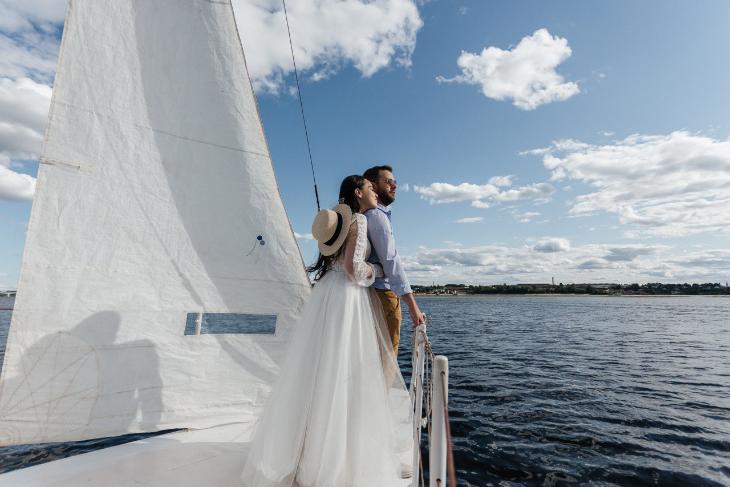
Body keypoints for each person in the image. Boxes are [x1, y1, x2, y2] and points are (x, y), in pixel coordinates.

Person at [241, 175, 412, 487]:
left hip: (326, 294)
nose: (375, 192)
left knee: (319, 369)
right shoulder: (359, 220)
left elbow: (339, 264)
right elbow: (353, 269)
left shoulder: (339, 223)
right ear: (358, 192)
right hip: (347, 295)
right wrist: (377, 270)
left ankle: (306, 450)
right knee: (346, 370)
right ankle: (337, 457)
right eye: (370, 188)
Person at [363, 165, 426, 356]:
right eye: (388, 181)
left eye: (395, 182)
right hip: (384, 295)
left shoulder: (364, 215)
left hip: (369, 292)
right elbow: (391, 260)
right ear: (373, 185)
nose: (395, 186)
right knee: (388, 355)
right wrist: (413, 306)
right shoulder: (376, 216)